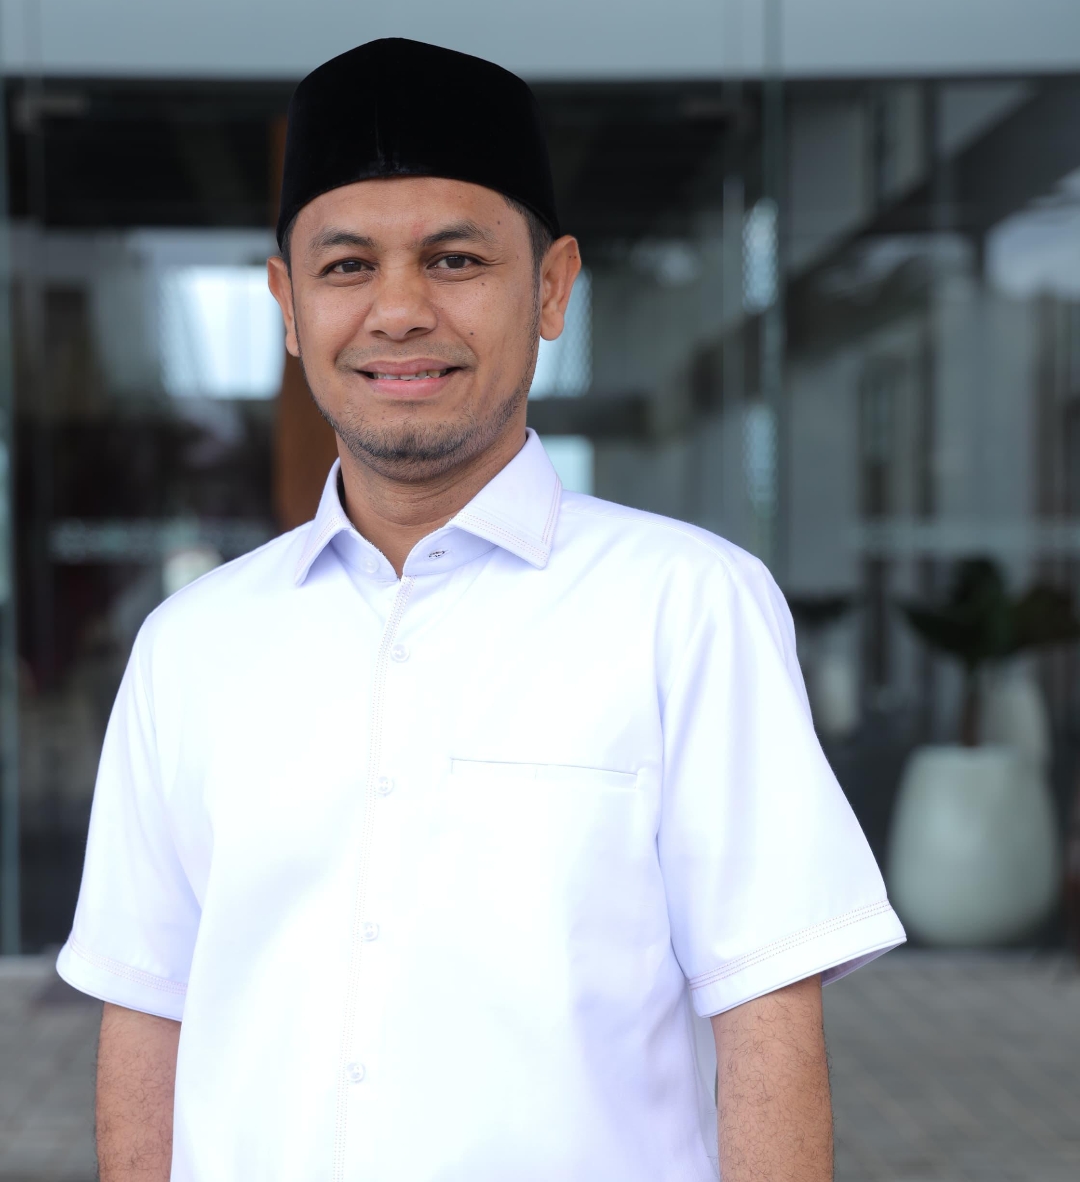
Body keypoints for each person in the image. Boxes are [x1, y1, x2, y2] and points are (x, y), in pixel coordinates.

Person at [58, 37, 905, 1182]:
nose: (399, 311)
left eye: (454, 260)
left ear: (551, 288)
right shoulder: (192, 645)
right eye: (346, 266)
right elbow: (147, 1011)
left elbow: (767, 1017)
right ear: (289, 305)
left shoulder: (687, 606)